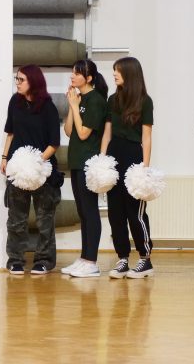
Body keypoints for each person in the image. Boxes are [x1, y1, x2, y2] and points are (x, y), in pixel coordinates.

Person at [0, 64, 61, 275]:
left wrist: (36, 162)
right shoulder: (14, 102)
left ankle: (44, 260)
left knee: (45, 219)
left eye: (21, 80)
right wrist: (5, 158)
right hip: (17, 170)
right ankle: (15, 259)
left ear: (33, 82)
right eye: (16, 79)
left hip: (42, 169)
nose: (17, 83)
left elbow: (54, 143)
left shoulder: (48, 107)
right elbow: (10, 133)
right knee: (16, 218)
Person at [100, 57, 155, 279]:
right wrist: (102, 161)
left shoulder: (145, 101)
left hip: (133, 157)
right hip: (114, 156)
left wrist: (145, 168)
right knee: (115, 212)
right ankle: (122, 258)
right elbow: (107, 132)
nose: (114, 74)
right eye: (114, 70)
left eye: (118, 71)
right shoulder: (112, 99)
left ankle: (145, 258)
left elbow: (147, 137)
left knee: (135, 212)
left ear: (130, 73)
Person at [61, 59, 109, 278]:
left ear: (88, 78)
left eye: (77, 73)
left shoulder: (96, 101)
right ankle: (84, 258)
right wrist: (73, 105)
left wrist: (74, 105)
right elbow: (69, 131)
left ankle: (92, 261)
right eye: (72, 72)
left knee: (90, 212)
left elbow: (83, 134)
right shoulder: (79, 98)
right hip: (76, 161)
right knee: (82, 212)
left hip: (88, 163)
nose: (72, 76)